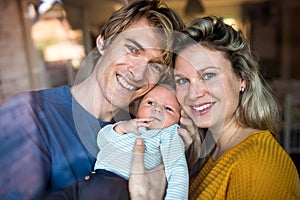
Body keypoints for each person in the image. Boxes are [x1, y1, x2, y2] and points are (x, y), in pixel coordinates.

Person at [0, 1, 185, 199]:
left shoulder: (144, 132)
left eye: (155, 66)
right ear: (103, 42)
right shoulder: (29, 114)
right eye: (132, 49)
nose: (138, 73)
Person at [172, 16, 300, 199]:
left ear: (242, 78)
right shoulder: (211, 152)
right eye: (183, 80)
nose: (194, 94)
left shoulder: (257, 164)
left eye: (208, 75)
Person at [46, 83, 189, 200]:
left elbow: (178, 172)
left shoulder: (169, 135)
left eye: (168, 109)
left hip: (120, 186)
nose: (157, 110)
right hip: (92, 178)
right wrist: (122, 127)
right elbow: (102, 141)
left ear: (179, 120)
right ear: (138, 108)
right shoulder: (129, 126)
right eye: (150, 103)